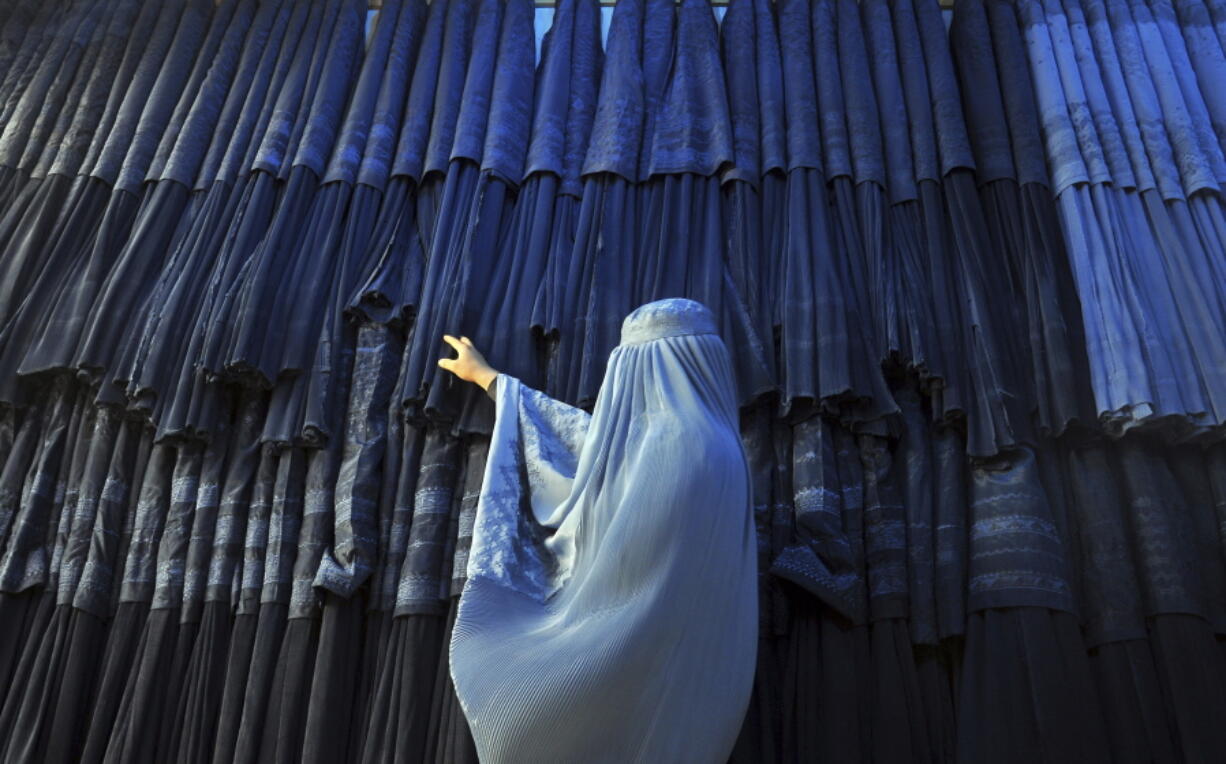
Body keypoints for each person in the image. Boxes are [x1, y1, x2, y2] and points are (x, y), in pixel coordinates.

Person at [436, 297, 759, 763]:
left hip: (618, 681)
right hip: (698, 694)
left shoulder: (672, 446)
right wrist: (491, 381)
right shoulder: (723, 449)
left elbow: (595, 490)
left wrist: (492, 382)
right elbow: (604, 458)